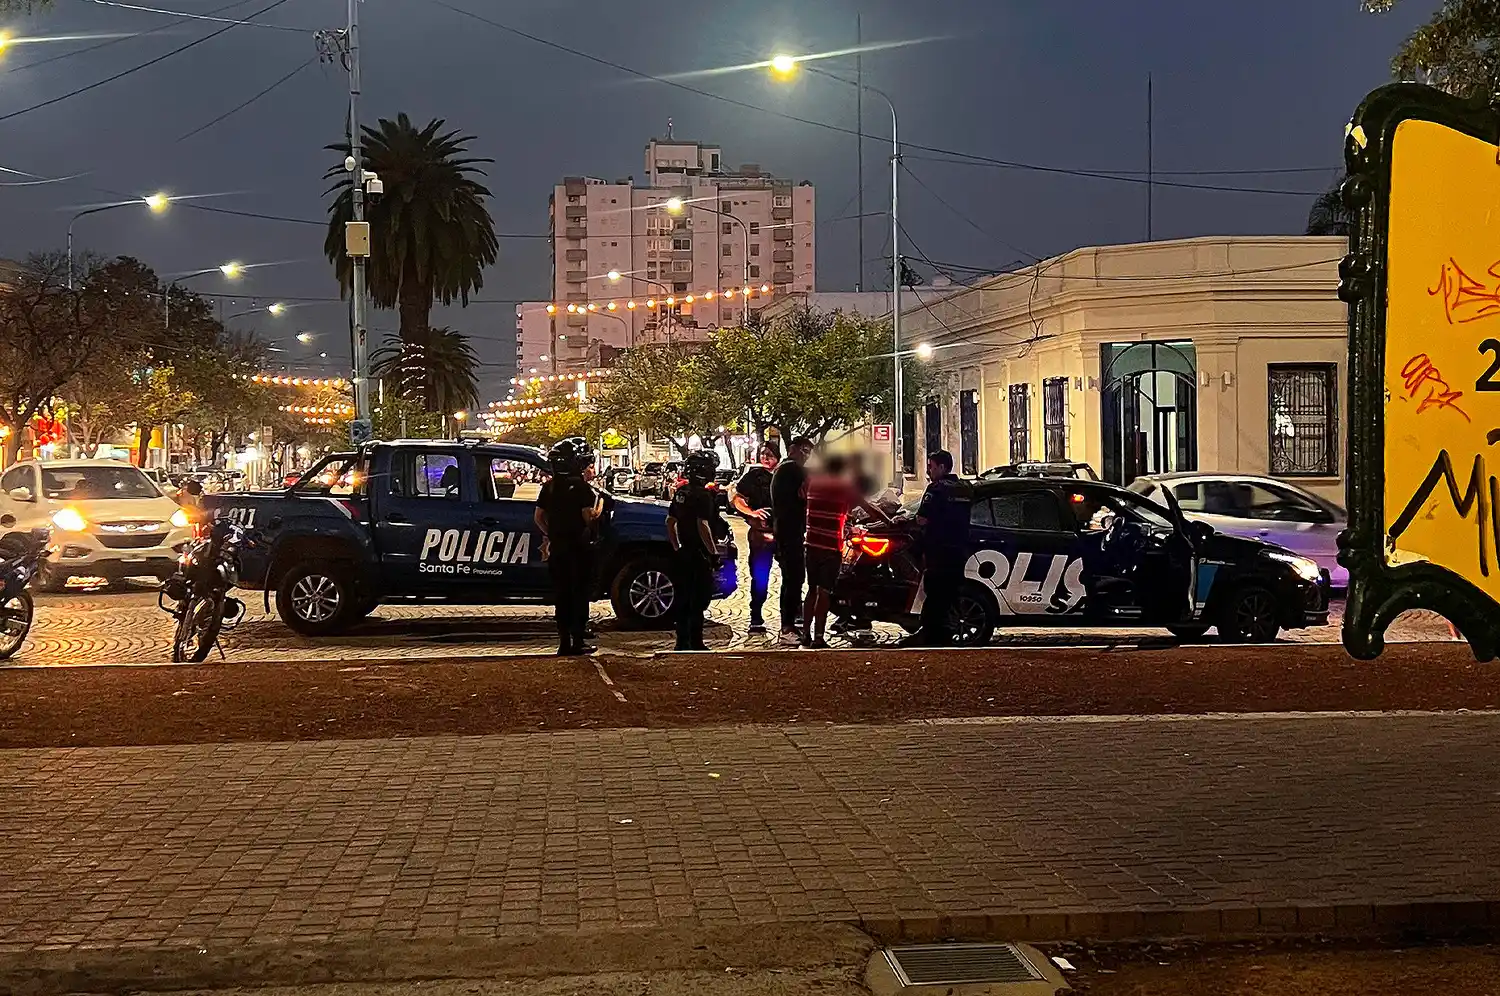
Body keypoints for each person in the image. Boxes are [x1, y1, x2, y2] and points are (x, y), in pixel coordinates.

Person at [802, 453, 895, 649]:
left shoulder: (813, 484)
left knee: (811, 590)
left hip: (811, 544)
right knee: (824, 592)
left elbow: (804, 497)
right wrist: (889, 521)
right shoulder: (844, 487)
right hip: (830, 547)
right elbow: (869, 507)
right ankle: (818, 637)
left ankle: (805, 634)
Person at [534, 437, 603, 656]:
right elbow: (589, 517)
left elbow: (538, 517)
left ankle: (564, 641)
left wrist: (551, 533)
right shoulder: (581, 487)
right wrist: (599, 507)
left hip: (558, 548)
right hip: (578, 548)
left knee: (562, 595)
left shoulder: (549, 487)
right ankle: (578, 640)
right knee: (579, 594)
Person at [904, 449, 972, 647]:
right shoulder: (965, 488)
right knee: (950, 593)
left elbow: (922, 519)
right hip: (959, 550)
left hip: (938, 550)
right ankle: (946, 633)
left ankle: (930, 634)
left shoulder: (936, 489)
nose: (928, 471)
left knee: (934, 593)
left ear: (942, 467)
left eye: (931, 467)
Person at [667, 450, 725, 651]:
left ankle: (682, 641)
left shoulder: (681, 493)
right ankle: (696, 642)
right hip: (699, 555)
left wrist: (676, 547)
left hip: (683, 552)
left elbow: (670, 521)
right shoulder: (703, 496)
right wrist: (713, 553)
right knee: (699, 598)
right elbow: (703, 525)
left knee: (683, 597)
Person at [730, 443, 780, 635]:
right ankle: (756, 615)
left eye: (769, 454)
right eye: (762, 454)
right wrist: (751, 512)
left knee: (792, 576)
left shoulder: (785, 474)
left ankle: (793, 617)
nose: (765, 457)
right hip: (760, 534)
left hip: (785, 533)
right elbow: (737, 498)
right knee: (760, 576)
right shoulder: (753, 476)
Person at [770, 436, 815, 646]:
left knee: (793, 578)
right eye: (804, 450)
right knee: (794, 579)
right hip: (789, 532)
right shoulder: (791, 469)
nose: (806, 455)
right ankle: (787, 626)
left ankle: (791, 622)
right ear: (792, 449)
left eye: (809, 452)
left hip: (787, 531)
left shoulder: (782, 470)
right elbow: (810, 490)